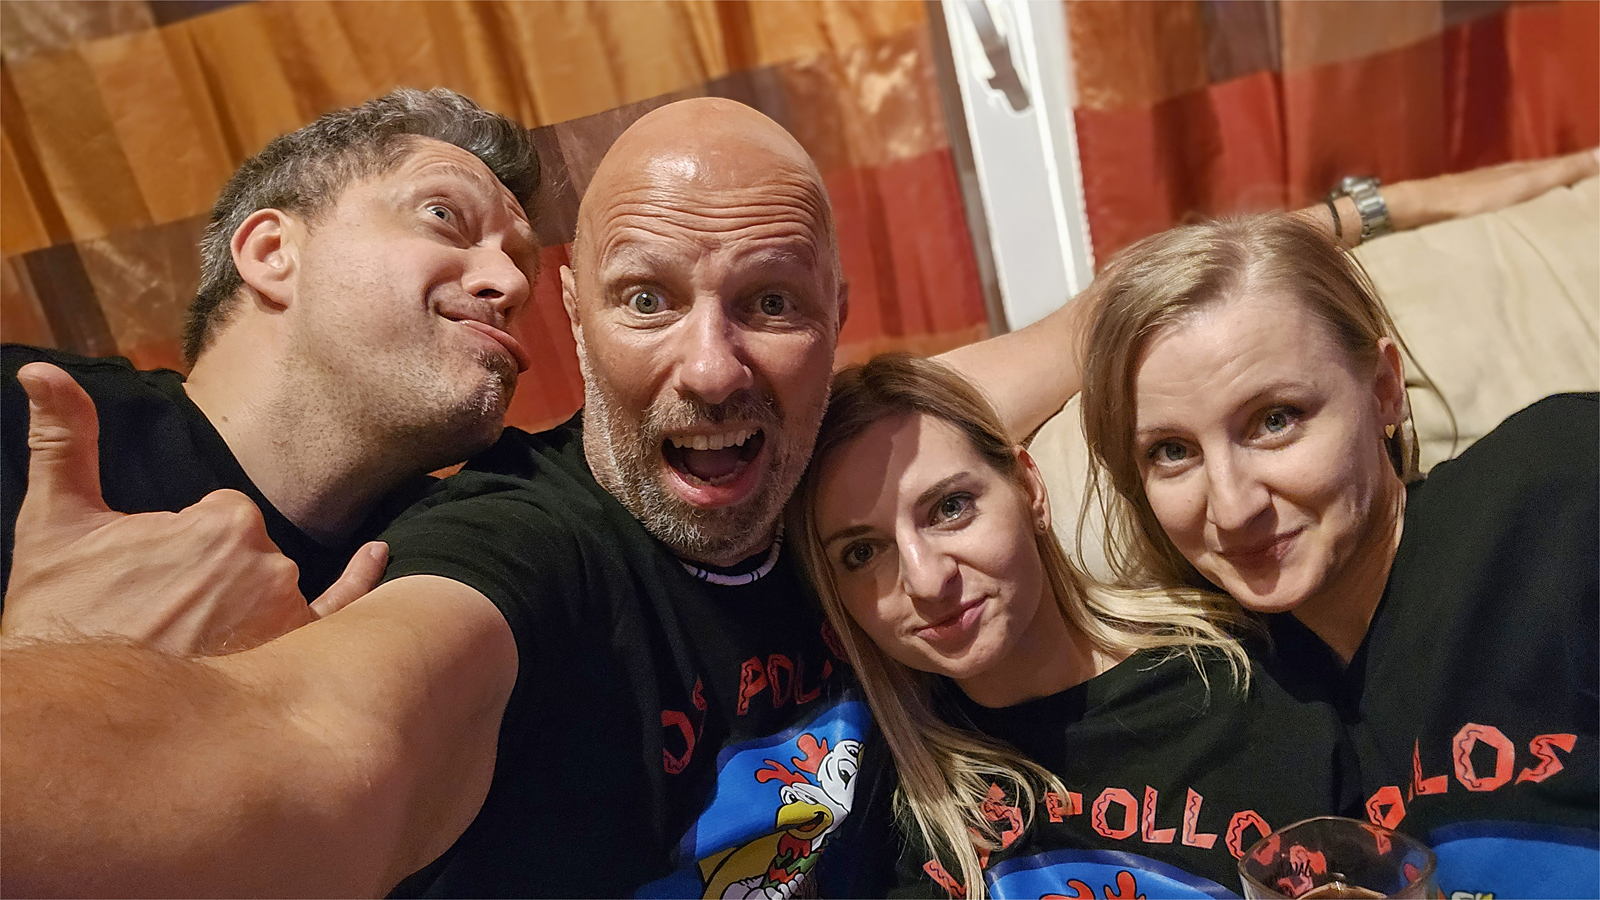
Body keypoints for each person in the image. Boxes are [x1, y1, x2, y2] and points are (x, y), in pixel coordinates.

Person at [0, 96, 1090, 898]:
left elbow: (1019, 370)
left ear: (833, 319)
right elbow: (318, 745)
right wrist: (51, 665)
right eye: (646, 298)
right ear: (581, 318)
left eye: (771, 304)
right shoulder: (503, 536)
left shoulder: (821, 466)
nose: (714, 368)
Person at [1077, 212, 1598, 898]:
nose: (1232, 507)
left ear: (1384, 390)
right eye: (1172, 451)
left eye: (1275, 420)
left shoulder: (1560, 493)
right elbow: (933, 437)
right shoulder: (1214, 694)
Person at [787, 353, 1357, 898]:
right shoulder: (875, 805)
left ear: (1030, 488)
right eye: (862, 553)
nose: (927, 580)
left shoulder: (1247, 675)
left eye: (950, 507)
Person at [1, 86, 541, 654]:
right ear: (271, 254)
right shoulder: (18, 423)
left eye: (518, 261)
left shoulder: (468, 555)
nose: (512, 284)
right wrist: (64, 664)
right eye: (443, 216)